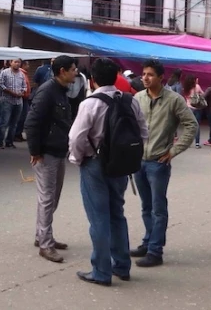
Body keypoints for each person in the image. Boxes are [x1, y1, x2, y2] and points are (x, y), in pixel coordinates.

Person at [69, 57, 148, 286]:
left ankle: (101, 271)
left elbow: (76, 137)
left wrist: (78, 159)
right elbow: (143, 132)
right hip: (121, 165)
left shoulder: (90, 103)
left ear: (92, 79)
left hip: (94, 163)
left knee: (98, 218)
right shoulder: (130, 101)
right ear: (116, 77)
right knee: (117, 213)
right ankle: (122, 266)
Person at [130, 59, 197, 268]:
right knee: (145, 206)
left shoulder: (174, 100)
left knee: (158, 208)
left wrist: (174, 151)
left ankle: (155, 251)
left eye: (150, 74)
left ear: (161, 77)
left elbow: (191, 125)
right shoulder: (137, 97)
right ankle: (148, 241)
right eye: (144, 74)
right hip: (138, 161)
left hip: (158, 163)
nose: (145, 78)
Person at [24, 55, 78, 263]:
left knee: (52, 197)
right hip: (46, 153)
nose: (75, 73)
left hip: (58, 150)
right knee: (47, 199)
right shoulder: (47, 91)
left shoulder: (61, 91)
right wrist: (35, 151)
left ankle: (42, 235)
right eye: (73, 69)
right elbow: (32, 122)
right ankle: (45, 244)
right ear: (62, 71)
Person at [0, 59, 27, 149]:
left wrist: (22, 93)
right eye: (15, 62)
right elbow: (1, 84)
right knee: (4, 122)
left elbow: (24, 86)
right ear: (11, 62)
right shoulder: (4, 72)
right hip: (7, 100)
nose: (17, 64)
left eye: (19, 62)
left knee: (14, 123)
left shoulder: (21, 74)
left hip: (18, 102)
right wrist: (11, 92)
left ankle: (9, 142)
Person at [181, 75, 206, 148]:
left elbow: (185, 97)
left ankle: (186, 142)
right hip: (197, 108)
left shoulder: (185, 88)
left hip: (188, 108)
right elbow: (203, 94)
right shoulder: (197, 86)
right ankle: (197, 143)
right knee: (197, 125)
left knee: (188, 125)